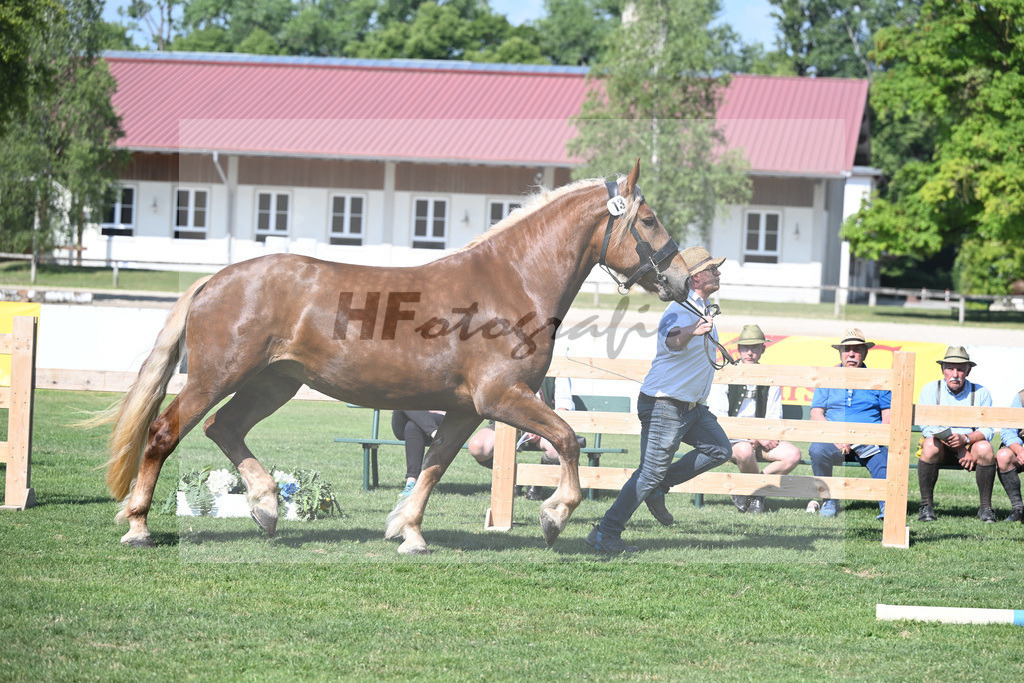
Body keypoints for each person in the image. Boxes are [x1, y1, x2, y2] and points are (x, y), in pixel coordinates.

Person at [586, 246, 732, 554]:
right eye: (713, 268)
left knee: (719, 449)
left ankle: (659, 487)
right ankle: (605, 533)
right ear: (695, 277)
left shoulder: (698, 307)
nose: (718, 272)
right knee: (649, 471)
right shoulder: (680, 310)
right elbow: (671, 341)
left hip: (689, 407)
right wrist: (693, 330)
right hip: (665, 405)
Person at [708, 324, 802, 513]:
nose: (749, 353)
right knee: (744, 450)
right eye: (745, 348)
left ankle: (747, 492)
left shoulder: (770, 376)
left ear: (763, 349)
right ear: (738, 349)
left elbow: (774, 415)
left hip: (762, 439)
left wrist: (760, 437)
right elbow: (720, 418)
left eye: (755, 348)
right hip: (733, 441)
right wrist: (750, 436)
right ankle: (757, 494)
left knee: (793, 455)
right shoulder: (726, 373)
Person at [808, 329, 890, 519]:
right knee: (817, 450)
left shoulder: (880, 378)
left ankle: (887, 505)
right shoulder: (827, 376)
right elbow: (816, 413)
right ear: (840, 353)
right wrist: (836, 437)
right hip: (834, 439)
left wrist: (874, 436)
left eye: (857, 350)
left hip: (869, 439)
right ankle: (829, 499)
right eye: (847, 349)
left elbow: (888, 415)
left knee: (885, 459)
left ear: (865, 353)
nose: (851, 354)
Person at [916, 346, 999, 523]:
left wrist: (966, 440)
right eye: (950, 368)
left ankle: (985, 508)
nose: (955, 374)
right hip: (941, 446)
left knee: (985, 448)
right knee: (930, 445)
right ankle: (926, 506)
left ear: (968, 371)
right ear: (942, 370)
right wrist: (960, 447)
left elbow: (987, 429)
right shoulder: (930, 389)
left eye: (960, 369)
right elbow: (927, 427)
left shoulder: (981, 392)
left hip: (970, 446)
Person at [466, 376, 574, 500]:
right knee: (477, 446)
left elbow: (563, 405)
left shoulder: (557, 366)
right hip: (509, 422)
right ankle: (513, 477)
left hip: (545, 424)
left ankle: (536, 481)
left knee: (558, 450)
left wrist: (539, 426)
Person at [391, 410, 446, 497]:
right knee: (405, 400)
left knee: (412, 426)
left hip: (438, 419)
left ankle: (411, 481)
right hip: (405, 419)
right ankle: (434, 432)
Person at [996, 388, 1024, 523]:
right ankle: (1018, 509)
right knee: (1003, 456)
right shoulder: (1021, 397)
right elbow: (1008, 431)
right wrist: (1020, 450)